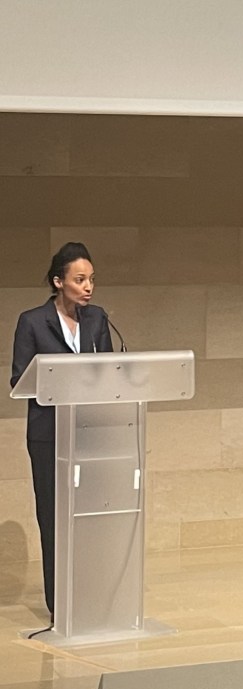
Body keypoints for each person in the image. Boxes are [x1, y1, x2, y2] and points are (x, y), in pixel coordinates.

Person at [10, 242, 114, 616]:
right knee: (53, 517)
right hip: (48, 434)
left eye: (91, 280)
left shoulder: (98, 319)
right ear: (58, 282)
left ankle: (93, 598)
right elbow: (20, 378)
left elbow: (106, 372)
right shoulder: (32, 321)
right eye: (80, 279)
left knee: (91, 515)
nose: (88, 287)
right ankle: (61, 606)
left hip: (88, 432)